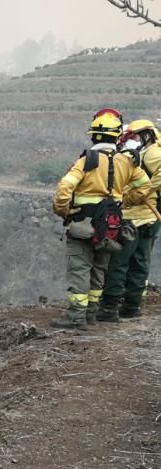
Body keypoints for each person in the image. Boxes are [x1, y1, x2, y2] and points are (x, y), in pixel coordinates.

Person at [52, 111, 151, 328]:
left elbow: (64, 187)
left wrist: (64, 210)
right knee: (99, 269)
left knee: (80, 268)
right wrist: (124, 201)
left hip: (82, 225)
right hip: (110, 228)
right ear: (117, 137)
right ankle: (91, 314)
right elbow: (145, 187)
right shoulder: (127, 161)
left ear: (94, 136)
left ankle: (76, 317)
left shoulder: (87, 160)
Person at [97, 119, 161, 321]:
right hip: (148, 219)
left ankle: (109, 308)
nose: (130, 141)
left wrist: (139, 193)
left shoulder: (152, 153)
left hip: (133, 219)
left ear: (146, 135)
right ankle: (132, 306)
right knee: (140, 263)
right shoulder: (143, 154)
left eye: (133, 137)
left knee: (119, 263)